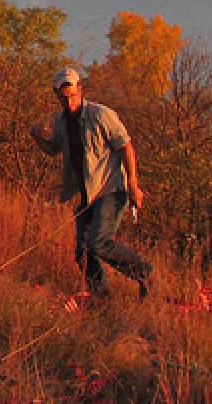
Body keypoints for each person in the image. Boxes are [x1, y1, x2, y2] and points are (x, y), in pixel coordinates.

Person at [29, 67, 153, 298]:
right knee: (83, 252)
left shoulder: (101, 115)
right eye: (64, 98)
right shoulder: (61, 121)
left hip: (111, 189)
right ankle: (101, 296)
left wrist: (134, 185)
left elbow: (126, 147)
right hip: (88, 194)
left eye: (73, 96)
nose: (69, 102)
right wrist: (37, 137)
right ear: (56, 95)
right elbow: (53, 149)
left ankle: (143, 271)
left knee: (99, 242)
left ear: (81, 90)